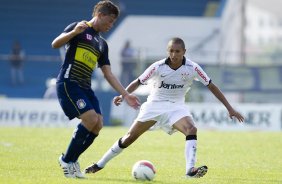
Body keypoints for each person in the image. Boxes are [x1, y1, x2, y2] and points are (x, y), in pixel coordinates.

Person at [84, 37, 245, 178]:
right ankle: (100, 164)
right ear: (168, 51)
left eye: (177, 51)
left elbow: (211, 86)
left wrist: (230, 108)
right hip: (154, 106)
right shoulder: (158, 66)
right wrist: (123, 95)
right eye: (171, 51)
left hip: (176, 107)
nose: (174, 55)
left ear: (184, 51)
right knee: (129, 138)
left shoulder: (193, 68)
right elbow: (138, 81)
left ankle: (190, 170)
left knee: (191, 129)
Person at [51, 0, 140, 179]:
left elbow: (108, 74)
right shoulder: (79, 28)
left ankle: (72, 159)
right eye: (110, 20)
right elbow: (55, 44)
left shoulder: (102, 44)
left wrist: (126, 94)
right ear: (99, 15)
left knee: (98, 124)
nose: (111, 25)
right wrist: (74, 32)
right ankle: (67, 159)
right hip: (69, 83)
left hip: (85, 87)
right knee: (90, 118)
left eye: (113, 22)